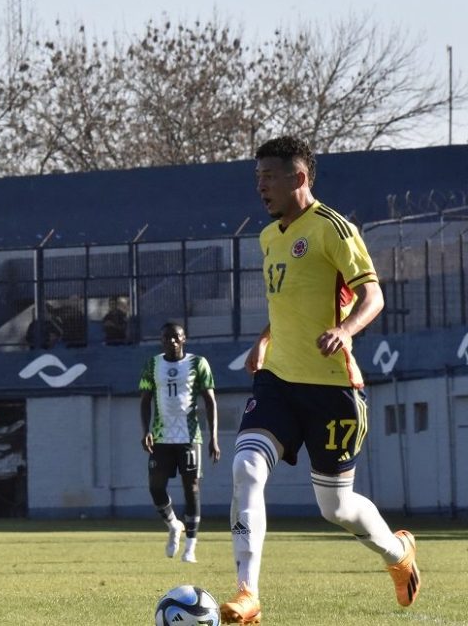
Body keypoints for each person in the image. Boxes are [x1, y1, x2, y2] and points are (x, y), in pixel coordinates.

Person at [220, 136, 420, 623]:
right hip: (277, 381)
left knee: (336, 507)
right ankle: (248, 596)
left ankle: (398, 554)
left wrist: (345, 330)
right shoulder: (268, 237)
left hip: (332, 390)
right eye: (257, 177)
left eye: (270, 176)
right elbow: (288, 301)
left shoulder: (334, 228)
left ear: (299, 178)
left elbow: (373, 296)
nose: (261, 186)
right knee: (246, 469)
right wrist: (264, 340)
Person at [139, 322, 219, 564]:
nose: (171, 342)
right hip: (162, 437)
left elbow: (210, 401)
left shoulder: (198, 363)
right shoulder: (153, 364)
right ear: (161, 341)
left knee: (191, 489)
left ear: (184, 338)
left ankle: (190, 549)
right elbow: (145, 400)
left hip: (189, 437)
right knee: (155, 486)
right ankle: (174, 525)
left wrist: (213, 437)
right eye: (166, 338)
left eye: (176, 337)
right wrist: (145, 431)